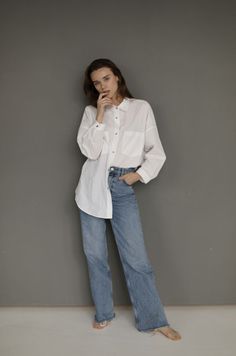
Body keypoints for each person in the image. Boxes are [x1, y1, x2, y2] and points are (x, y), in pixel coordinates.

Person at [75, 58, 181, 341]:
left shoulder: (141, 109)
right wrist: (99, 116)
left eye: (106, 79)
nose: (102, 85)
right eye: (97, 82)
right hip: (92, 187)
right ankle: (104, 313)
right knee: (95, 255)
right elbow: (89, 151)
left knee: (137, 259)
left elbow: (156, 152)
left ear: (118, 78)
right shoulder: (90, 112)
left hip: (122, 187)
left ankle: (153, 320)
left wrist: (138, 176)